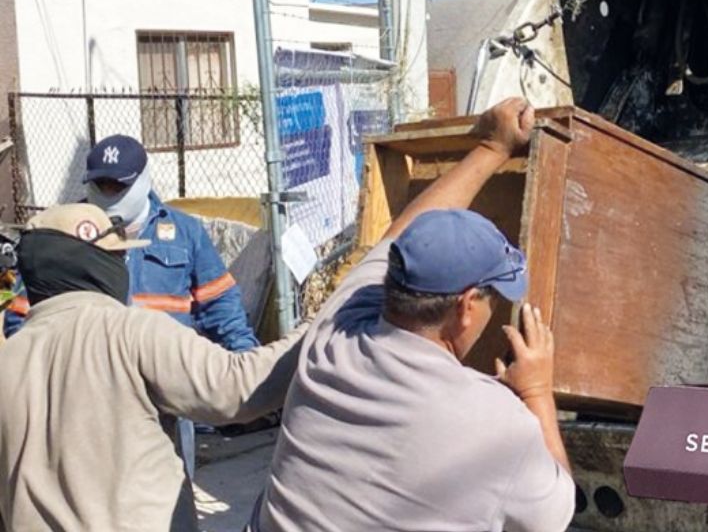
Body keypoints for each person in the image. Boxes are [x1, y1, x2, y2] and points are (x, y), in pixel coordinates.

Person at [251, 97, 575, 532]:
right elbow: (556, 513)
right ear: (465, 307)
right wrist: (536, 392)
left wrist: (492, 149)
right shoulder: (499, 427)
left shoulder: (330, 338)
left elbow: (400, 235)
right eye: (493, 297)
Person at [0, 203, 306, 531]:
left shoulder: (10, 359)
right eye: (117, 256)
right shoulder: (133, 332)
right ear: (93, 264)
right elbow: (237, 389)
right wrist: (318, 330)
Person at [4, 133, 260, 476]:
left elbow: (222, 308)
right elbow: (21, 317)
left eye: (117, 185)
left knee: (169, 491)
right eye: (101, 184)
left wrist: (248, 371)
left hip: (165, 391)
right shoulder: (65, 235)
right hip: (88, 393)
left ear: (142, 180)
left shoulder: (184, 233)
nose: (108, 193)